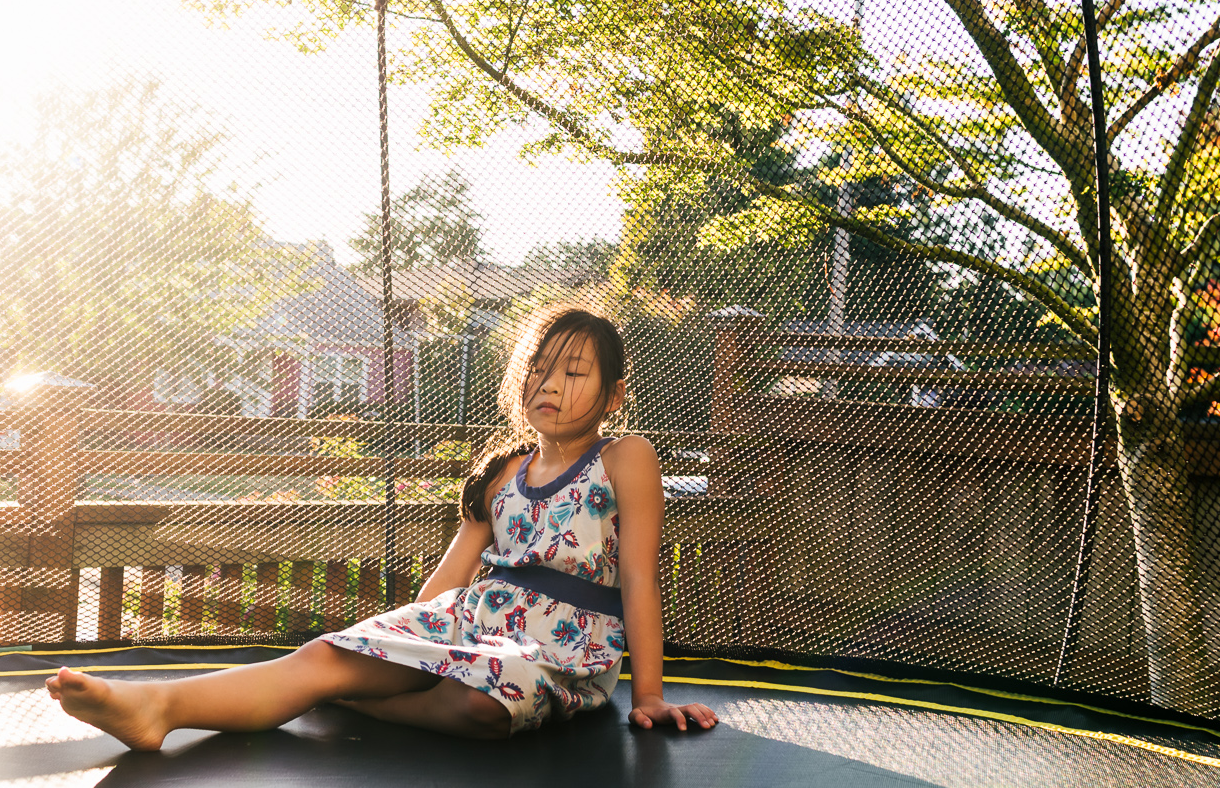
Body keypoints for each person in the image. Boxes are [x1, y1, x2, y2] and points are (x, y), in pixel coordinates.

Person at [45, 304, 718, 746]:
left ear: (613, 394)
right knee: (325, 655)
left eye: (573, 371)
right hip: (473, 617)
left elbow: (636, 578)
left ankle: (347, 700)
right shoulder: (504, 471)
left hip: (563, 651)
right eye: (538, 368)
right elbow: (449, 581)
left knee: (482, 705)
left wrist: (650, 694)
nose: (550, 382)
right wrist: (397, 638)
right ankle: (159, 706)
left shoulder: (625, 457)